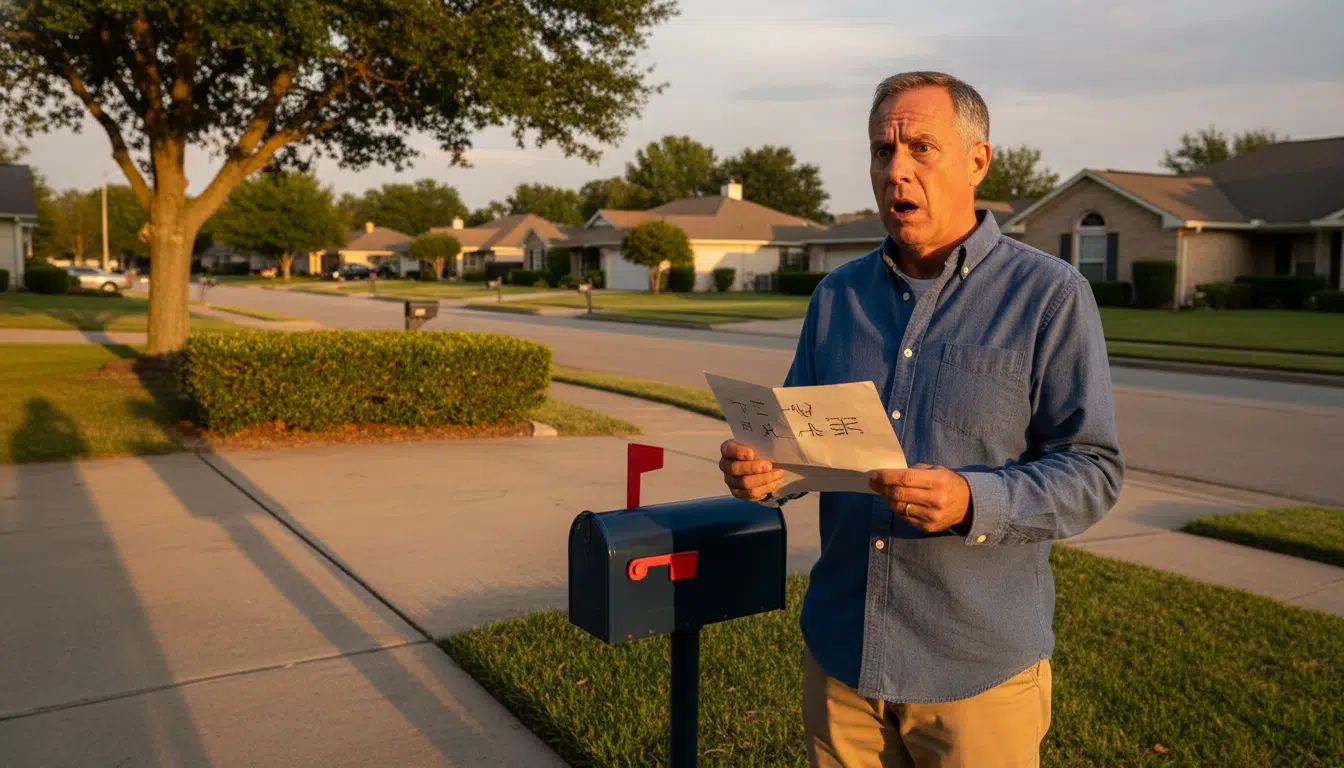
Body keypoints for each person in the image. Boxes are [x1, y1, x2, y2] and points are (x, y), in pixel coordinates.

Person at [718, 71, 1124, 768]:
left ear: (978, 161)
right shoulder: (837, 296)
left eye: (921, 149)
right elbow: (798, 443)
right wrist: (765, 471)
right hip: (844, 656)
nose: (896, 170)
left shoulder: (1049, 295)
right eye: (883, 151)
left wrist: (973, 499)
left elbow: (1093, 469)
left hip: (975, 671)